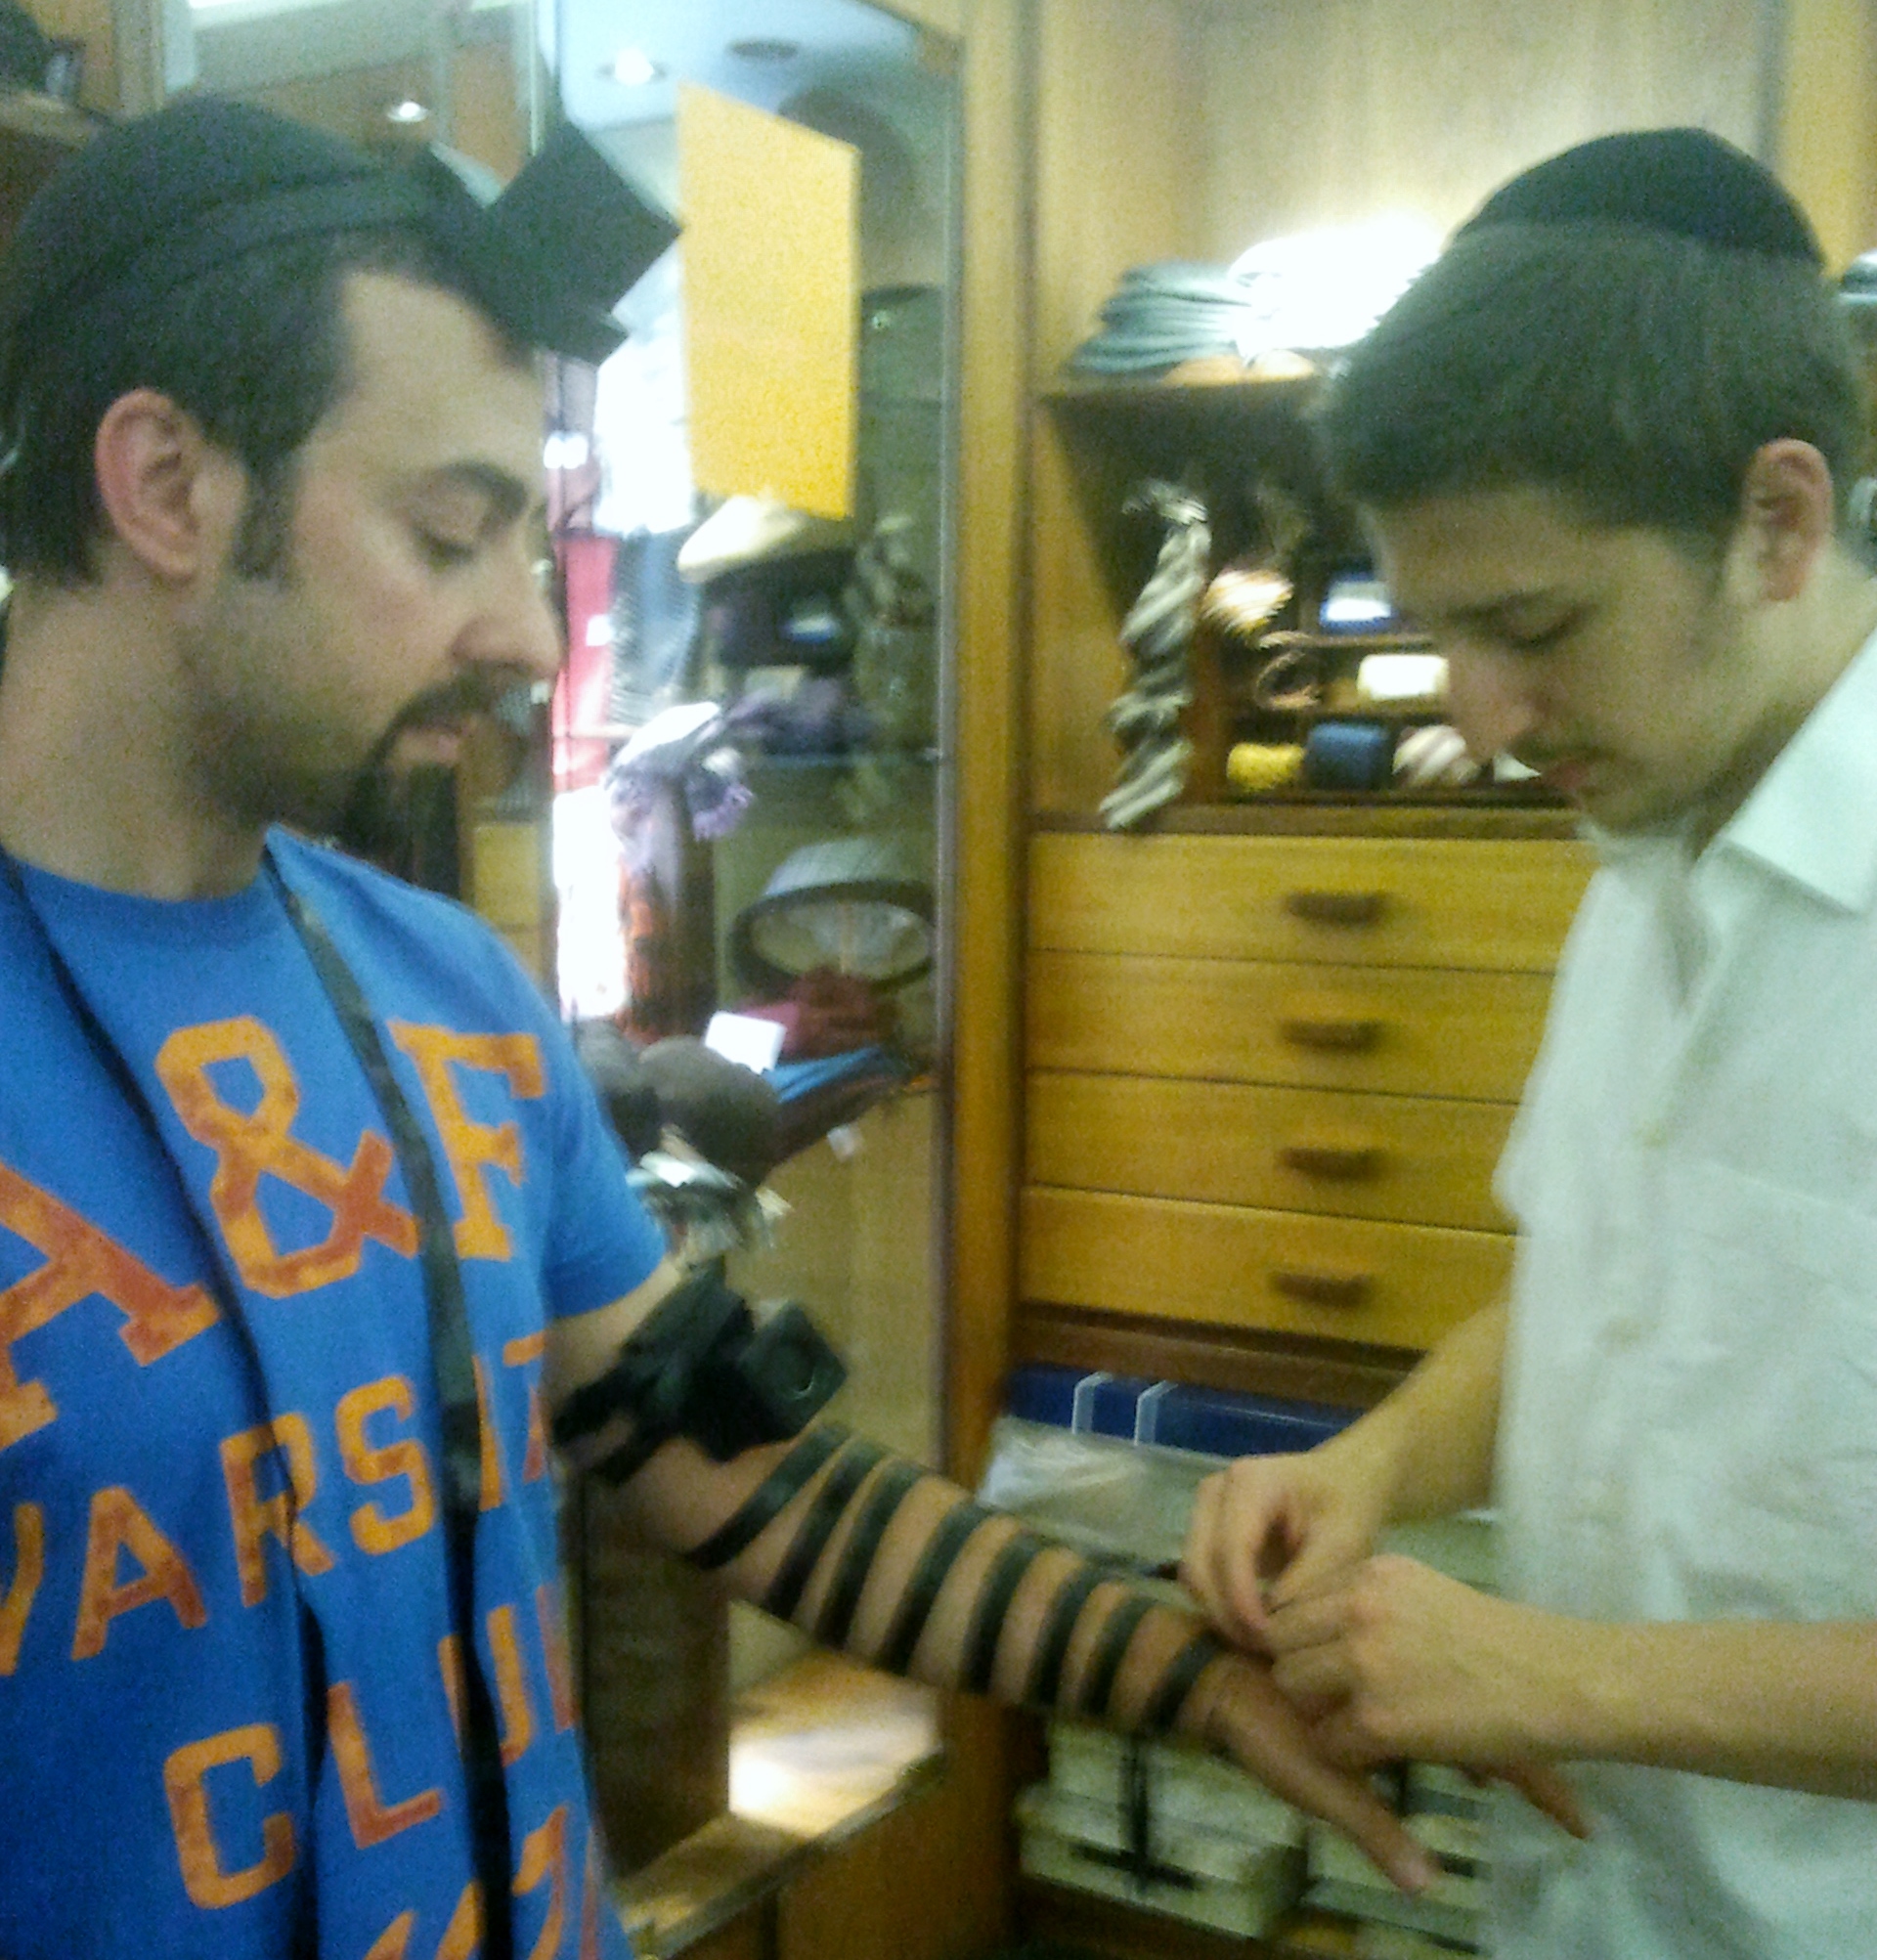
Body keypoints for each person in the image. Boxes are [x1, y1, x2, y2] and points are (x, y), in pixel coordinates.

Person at [0, 96, 1434, 1958]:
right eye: (449, 535)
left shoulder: (451, 995)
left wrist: (1192, 1671)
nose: (532, 638)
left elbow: (753, 1479)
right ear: (167, 486)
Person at [1181, 128, 1877, 1956]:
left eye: (1533, 625)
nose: (1482, 719)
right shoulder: (1647, 841)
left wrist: (1560, 1674)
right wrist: (1375, 1464)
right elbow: (1609, 1295)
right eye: (1436, 635)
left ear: (1778, 523)